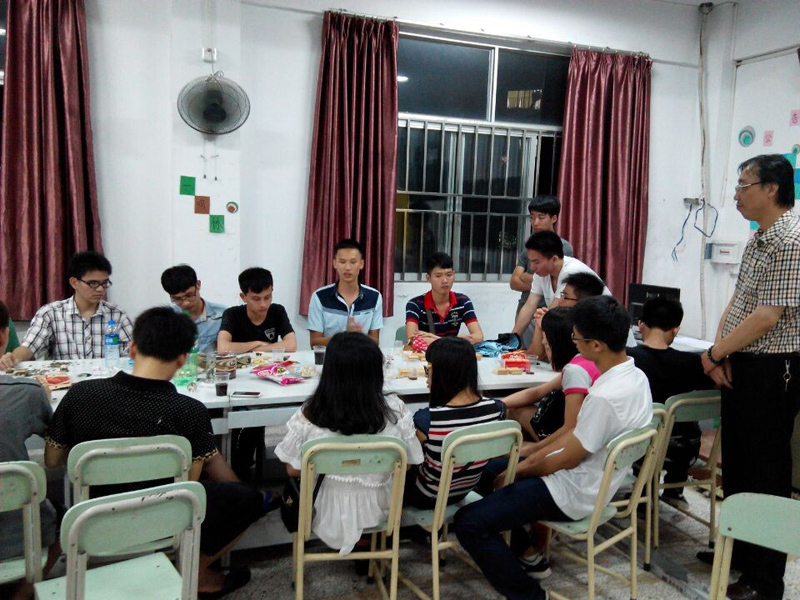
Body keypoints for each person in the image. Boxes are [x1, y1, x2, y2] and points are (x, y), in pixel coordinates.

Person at [44, 307, 269, 599]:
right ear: (183, 359)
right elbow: (190, 484)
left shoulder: (81, 395)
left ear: (131, 348)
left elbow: (52, 460)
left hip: (92, 519)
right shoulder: (189, 411)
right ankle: (194, 571)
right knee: (245, 497)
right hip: (163, 521)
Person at [454, 296, 652, 600]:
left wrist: (520, 471)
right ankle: (529, 555)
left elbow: (569, 458)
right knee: (484, 470)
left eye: (577, 337)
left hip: (573, 491)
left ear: (596, 344)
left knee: (468, 522)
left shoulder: (605, 396)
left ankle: (531, 595)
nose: (573, 341)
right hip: (593, 478)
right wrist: (528, 456)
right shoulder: (636, 376)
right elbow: (572, 437)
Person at [699, 154, 800, 600]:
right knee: (737, 463)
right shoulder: (759, 237)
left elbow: (766, 317)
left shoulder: (791, 241)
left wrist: (716, 352)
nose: (737, 195)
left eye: (743, 185)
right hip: (740, 360)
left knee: (766, 472)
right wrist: (718, 351)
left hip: (772, 369)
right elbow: (739, 300)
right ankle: (739, 550)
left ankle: (765, 579)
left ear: (771, 189)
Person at [275, 332, 423, 555]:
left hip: (324, 510)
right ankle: (367, 546)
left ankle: (355, 545)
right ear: (376, 372)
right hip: (382, 509)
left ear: (330, 372)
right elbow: (408, 464)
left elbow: (293, 468)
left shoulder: (311, 413)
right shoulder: (395, 410)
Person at [627, 296, 715, 505]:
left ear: (640, 325)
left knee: (646, 424)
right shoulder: (693, 363)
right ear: (676, 330)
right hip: (685, 450)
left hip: (640, 449)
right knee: (678, 424)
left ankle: (643, 493)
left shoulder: (629, 359)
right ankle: (675, 490)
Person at [0, 301, 60, 600]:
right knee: (66, 512)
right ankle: (24, 591)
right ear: (4, 336)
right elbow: (55, 450)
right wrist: (42, 395)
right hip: (17, 531)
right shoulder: (25, 393)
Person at [405, 337, 505, 509]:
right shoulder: (497, 409)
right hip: (464, 490)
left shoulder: (427, 420)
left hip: (427, 496)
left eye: (429, 369)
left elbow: (408, 464)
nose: (427, 377)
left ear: (444, 373)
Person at [0, 251, 133, 368]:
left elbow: (133, 353)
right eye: (93, 283)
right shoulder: (50, 313)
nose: (100, 289)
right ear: (74, 282)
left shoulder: (117, 315)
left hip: (107, 382)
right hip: (66, 382)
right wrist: (13, 358)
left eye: (104, 283)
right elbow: (29, 346)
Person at [503, 307, 600, 452]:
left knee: (507, 449)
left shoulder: (575, 371)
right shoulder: (586, 361)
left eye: (547, 344)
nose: (543, 343)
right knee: (513, 409)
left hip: (574, 443)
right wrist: (497, 404)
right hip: (584, 436)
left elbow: (571, 429)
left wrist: (535, 451)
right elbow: (536, 393)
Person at [511, 231, 607, 341]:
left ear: (554, 259)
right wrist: (511, 340)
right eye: (531, 262)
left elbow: (555, 310)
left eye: (536, 262)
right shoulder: (541, 273)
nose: (532, 267)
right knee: (533, 322)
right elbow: (529, 305)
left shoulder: (571, 271)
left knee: (541, 323)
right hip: (573, 325)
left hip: (598, 328)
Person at [509, 196, 574, 347]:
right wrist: (509, 341)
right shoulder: (531, 246)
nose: (535, 222)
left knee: (544, 351)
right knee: (521, 351)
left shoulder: (562, 248)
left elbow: (557, 286)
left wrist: (525, 277)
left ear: (554, 218)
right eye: (532, 217)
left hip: (548, 311)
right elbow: (514, 282)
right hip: (526, 309)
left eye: (541, 217)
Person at [308, 239, 383, 346]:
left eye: (353, 262)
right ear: (335, 263)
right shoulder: (319, 297)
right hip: (332, 355)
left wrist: (358, 335)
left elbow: (376, 342)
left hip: (362, 355)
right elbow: (314, 343)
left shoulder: (374, 297)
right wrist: (345, 336)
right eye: (342, 262)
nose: (347, 268)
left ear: (361, 264)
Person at [405, 252, 484, 345]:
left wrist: (436, 339)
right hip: (426, 353)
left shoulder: (463, 302)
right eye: (438, 276)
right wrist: (455, 341)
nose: (445, 280)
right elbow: (412, 339)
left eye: (449, 275)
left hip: (451, 352)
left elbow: (478, 337)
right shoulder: (415, 304)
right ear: (428, 278)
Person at [526, 271, 607, 358]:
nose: (559, 301)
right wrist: (541, 325)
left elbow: (555, 361)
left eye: (565, 297)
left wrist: (545, 326)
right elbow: (535, 355)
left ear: (582, 303)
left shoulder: (587, 330)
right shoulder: (563, 321)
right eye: (561, 295)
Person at [217, 267, 297, 353]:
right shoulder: (232, 314)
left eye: (267, 297)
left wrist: (255, 349)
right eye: (256, 299)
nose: (263, 304)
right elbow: (222, 348)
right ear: (243, 297)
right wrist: (258, 343)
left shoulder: (277, 311)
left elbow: (291, 345)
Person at [161, 264, 227, 353]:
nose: (185, 303)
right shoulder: (168, 319)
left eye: (189, 295)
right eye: (177, 299)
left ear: (198, 285)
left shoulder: (222, 315)